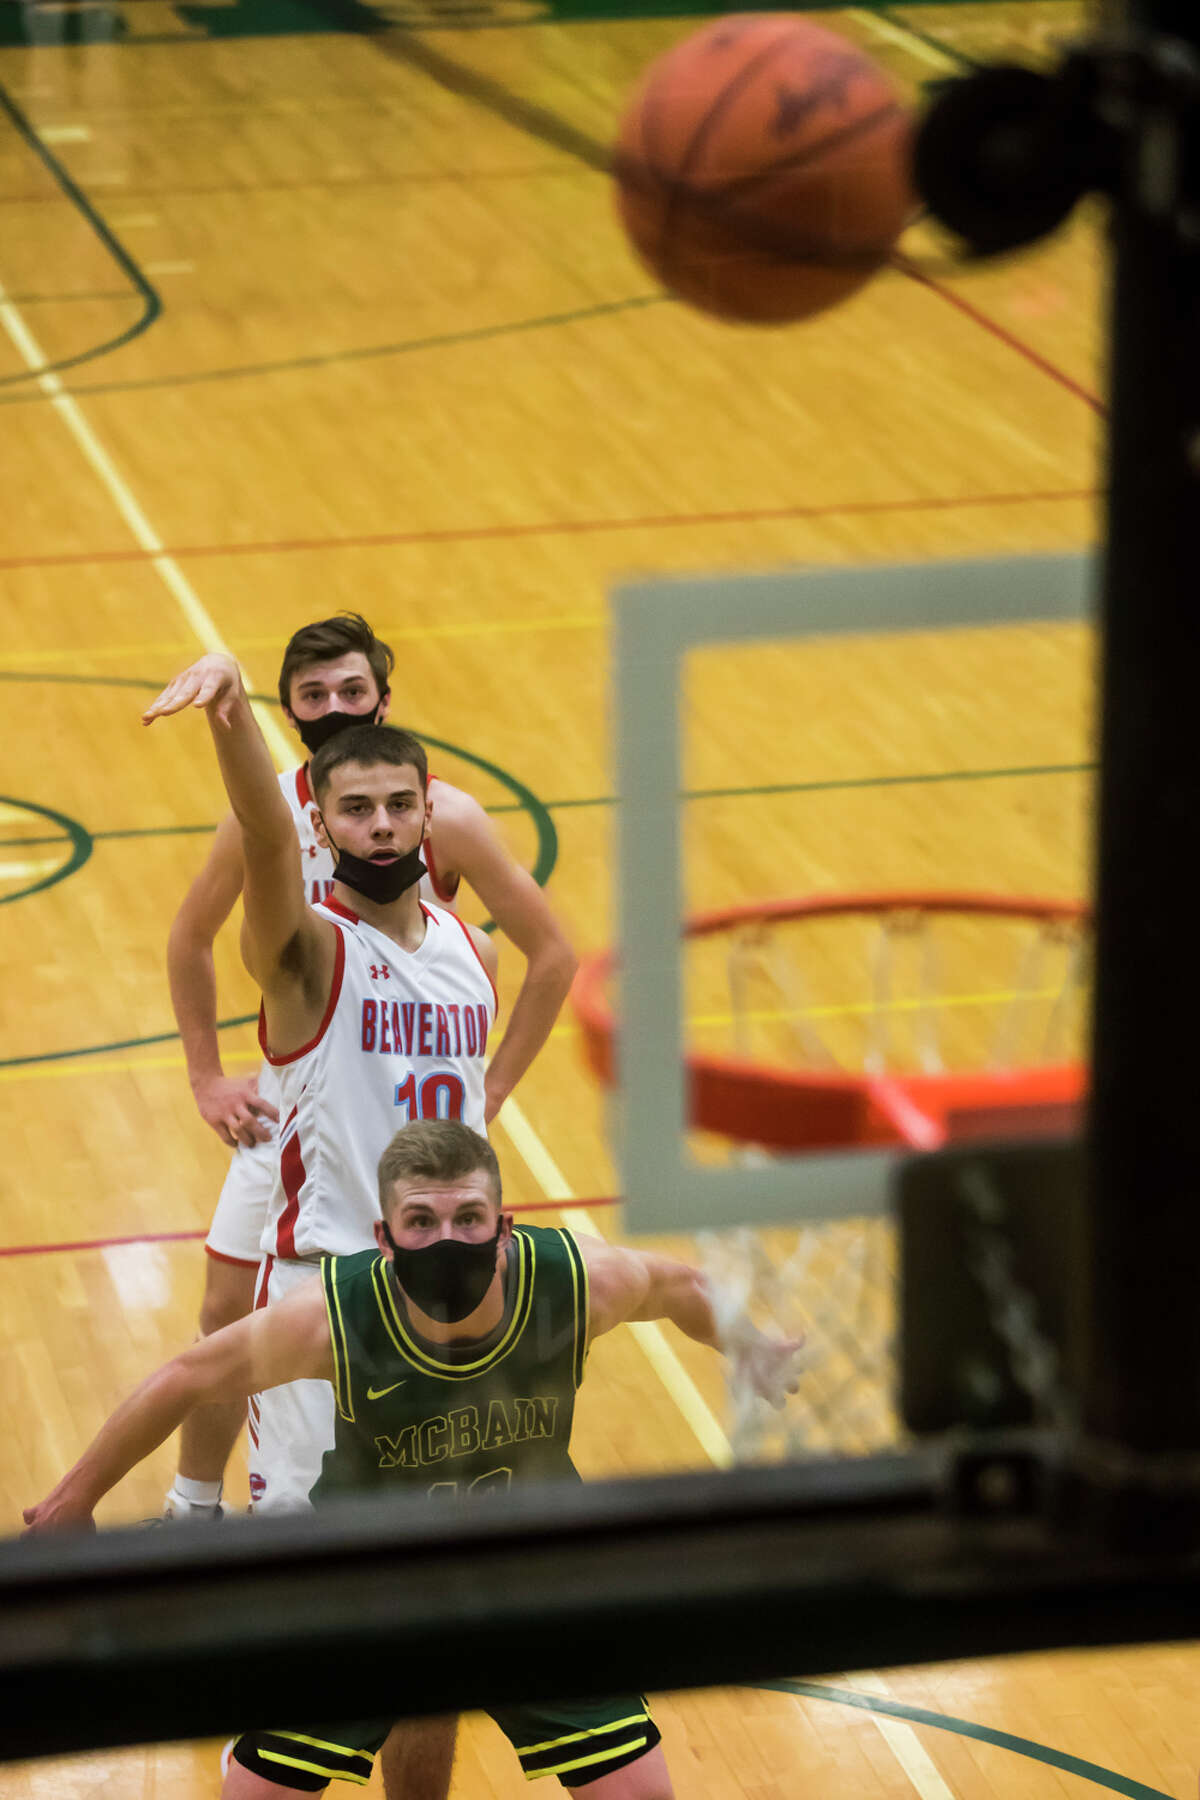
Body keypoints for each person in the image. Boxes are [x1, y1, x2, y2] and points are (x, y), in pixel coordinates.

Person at [25, 1119, 803, 1799]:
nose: (448, 1240)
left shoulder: (571, 1284)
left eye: (470, 1217)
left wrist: (753, 1348)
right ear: (384, 1236)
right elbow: (189, 1377)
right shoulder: (337, 1319)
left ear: (505, 1226)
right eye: (421, 1221)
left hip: (528, 1569)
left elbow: (681, 1286)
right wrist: (73, 1499)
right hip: (365, 1576)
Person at [161, 613, 576, 1521]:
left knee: (430, 1374)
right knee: (231, 1318)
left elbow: (554, 956)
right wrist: (205, 1076)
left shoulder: (461, 892)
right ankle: (192, 1507)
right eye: (314, 695)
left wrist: (490, 1091)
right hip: (306, 1096)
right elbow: (199, 925)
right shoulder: (276, 837)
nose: (337, 707)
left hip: (411, 1136)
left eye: (353, 690)